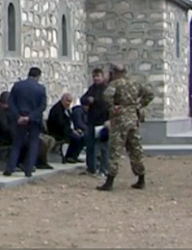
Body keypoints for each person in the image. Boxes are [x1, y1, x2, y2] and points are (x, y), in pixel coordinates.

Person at [97, 63, 153, 192]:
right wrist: (138, 105)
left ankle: (109, 181)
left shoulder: (115, 84)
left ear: (114, 72)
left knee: (115, 149)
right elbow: (149, 94)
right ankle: (141, 179)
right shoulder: (134, 83)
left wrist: (112, 107)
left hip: (120, 120)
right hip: (133, 118)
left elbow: (106, 96)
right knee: (135, 149)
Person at [4, 67, 48, 177]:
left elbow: (11, 102)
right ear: (38, 76)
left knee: (17, 143)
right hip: (34, 120)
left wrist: (18, 116)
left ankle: (10, 168)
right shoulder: (40, 89)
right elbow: (42, 106)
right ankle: (28, 169)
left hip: (19, 118)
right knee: (33, 143)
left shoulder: (17, 86)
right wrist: (30, 117)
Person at [81, 68, 110, 175]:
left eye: (98, 76)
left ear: (102, 77)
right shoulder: (92, 88)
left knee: (103, 147)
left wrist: (95, 101)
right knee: (90, 146)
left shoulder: (107, 89)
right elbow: (82, 99)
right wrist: (88, 100)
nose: (96, 78)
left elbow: (107, 103)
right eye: (94, 76)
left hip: (103, 121)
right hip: (92, 121)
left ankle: (104, 169)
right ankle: (91, 168)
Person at [46, 93, 84, 163]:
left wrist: (74, 130)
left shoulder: (66, 109)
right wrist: (71, 131)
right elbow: (60, 124)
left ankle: (74, 156)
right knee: (76, 138)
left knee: (82, 137)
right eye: (67, 101)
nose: (68, 103)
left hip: (64, 130)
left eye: (70, 101)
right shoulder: (57, 109)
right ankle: (69, 156)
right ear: (62, 100)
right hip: (57, 132)